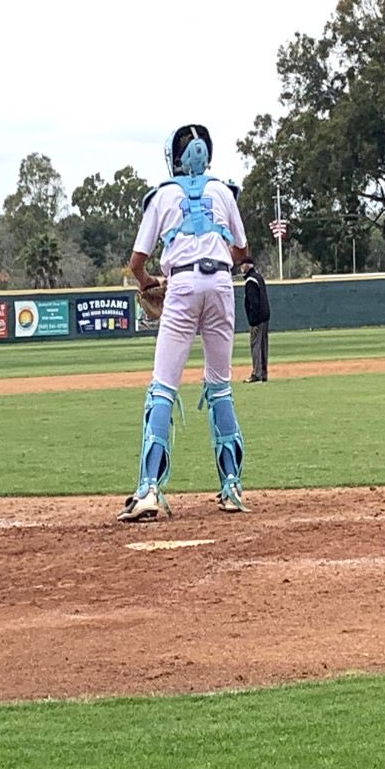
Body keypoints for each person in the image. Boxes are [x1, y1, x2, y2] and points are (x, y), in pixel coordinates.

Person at [118, 124, 250, 523]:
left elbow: (137, 262)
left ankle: (149, 490)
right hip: (221, 285)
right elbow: (242, 252)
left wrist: (147, 284)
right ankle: (231, 486)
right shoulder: (224, 191)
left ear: (172, 158)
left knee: (162, 388)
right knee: (220, 386)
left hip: (182, 285)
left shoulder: (163, 195)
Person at [241, 256, 271, 382]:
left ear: (247, 265)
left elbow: (253, 303)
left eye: (242, 265)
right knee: (263, 345)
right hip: (265, 316)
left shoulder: (250, 281)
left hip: (257, 318)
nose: (241, 268)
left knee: (255, 345)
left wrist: (253, 322)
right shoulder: (259, 277)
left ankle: (256, 373)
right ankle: (263, 373)